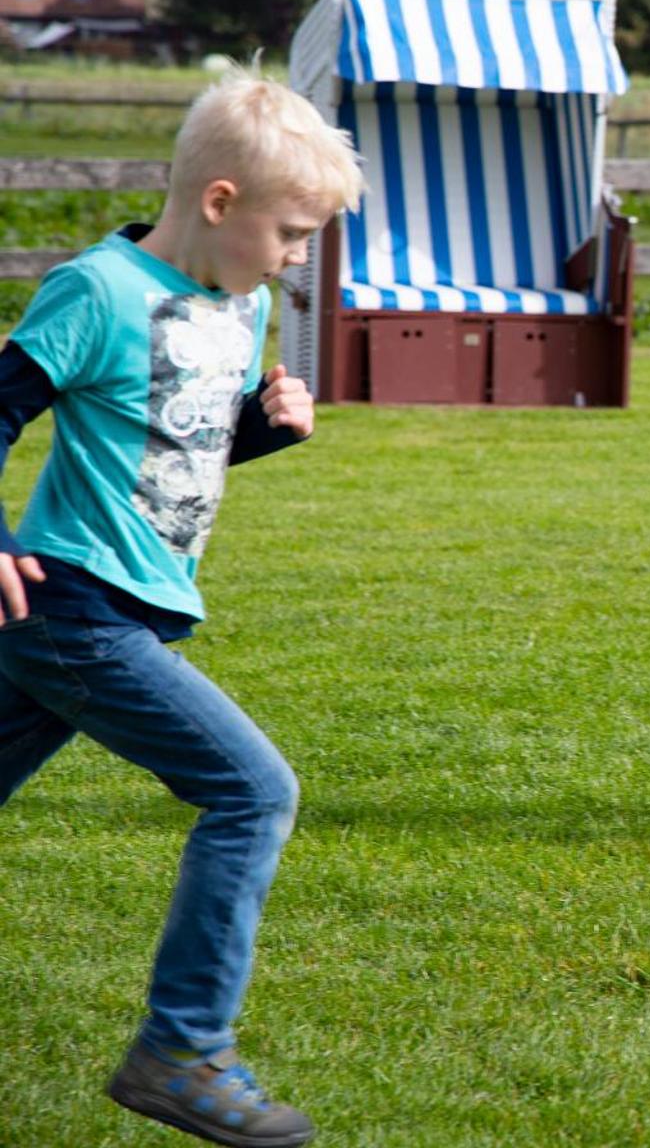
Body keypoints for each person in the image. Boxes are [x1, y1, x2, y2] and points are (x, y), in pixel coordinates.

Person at [0, 67, 362, 1148]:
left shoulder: (240, 305)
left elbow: (184, 448)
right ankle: (183, 1048)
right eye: (293, 231)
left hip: (126, 610)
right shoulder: (97, 290)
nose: (298, 256)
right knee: (253, 792)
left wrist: (265, 429)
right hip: (72, 603)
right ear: (218, 203)